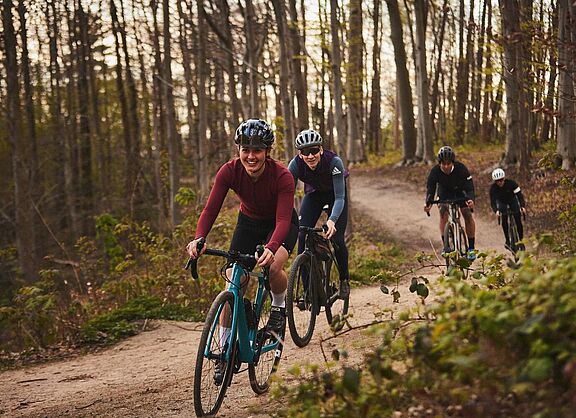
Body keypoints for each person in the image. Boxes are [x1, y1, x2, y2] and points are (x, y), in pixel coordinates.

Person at [186, 118, 298, 339]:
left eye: (257, 150)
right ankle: (224, 348)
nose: (250, 156)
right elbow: (210, 210)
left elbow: (284, 219)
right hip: (248, 222)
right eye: (245, 149)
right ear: (238, 149)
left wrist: (272, 247)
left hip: (280, 223)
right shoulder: (229, 171)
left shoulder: (282, 176)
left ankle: (278, 308)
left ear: (267, 151)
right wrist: (199, 237)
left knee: (273, 266)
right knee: (233, 281)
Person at [287, 129, 350, 298]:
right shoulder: (294, 165)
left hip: (335, 195)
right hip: (314, 195)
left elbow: (340, 198)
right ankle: (307, 290)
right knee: (302, 234)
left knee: (337, 238)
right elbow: (286, 196)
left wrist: (332, 220)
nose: (310, 156)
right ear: (300, 154)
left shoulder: (334, 162)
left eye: (314, 150)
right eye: (305, 152)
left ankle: (344, 280)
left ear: (321, 149)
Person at [424, 146, 477, 260]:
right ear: (440, 163)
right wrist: (428, 203)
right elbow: (431, 189)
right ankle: (446, 246)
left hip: (460, 192)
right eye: (443, 164)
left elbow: (469, 187)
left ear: (453, 162)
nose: (446, 166)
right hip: (444, 193)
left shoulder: (461, 168)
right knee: (443, 211)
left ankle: (471, 248)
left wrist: (471, 199)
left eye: (449, 164)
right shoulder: (435, 171)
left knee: (467, 214)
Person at [489, 168, 526, 251]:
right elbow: (493, 202)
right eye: (497, 181)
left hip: (512, 201)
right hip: (502, 202)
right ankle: (507, 240)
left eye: (501, 180)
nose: (500, 182)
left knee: (518, 219)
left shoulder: (512, 184)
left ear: (504, 179)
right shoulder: (493, 189)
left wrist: (522, 206)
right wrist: (496, 211)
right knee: (504, 218)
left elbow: (520, 196)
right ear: (495, 181)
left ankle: (521, 240)